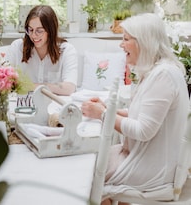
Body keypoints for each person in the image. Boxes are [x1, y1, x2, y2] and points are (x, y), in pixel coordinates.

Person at [81, 13, 190, 205]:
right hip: (149, 157)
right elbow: (140, 116)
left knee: (84, 177)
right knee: (89, 160)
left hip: (155, 168)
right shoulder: (156, 71)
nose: (121, 45)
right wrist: (107, 109)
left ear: (143, 42)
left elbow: (143, 130)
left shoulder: (163, 75)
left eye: (125, 39)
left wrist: (103, 114)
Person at [7, 5, 78, 96]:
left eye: (39, 31)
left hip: (54, 105)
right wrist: (52, 87)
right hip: (23, 105)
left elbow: (69, 88)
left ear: (51, 30)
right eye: (30, 30)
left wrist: (32, 86)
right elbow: (5, 81)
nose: (33, 35)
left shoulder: (67, 50)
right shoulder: (17, 47)